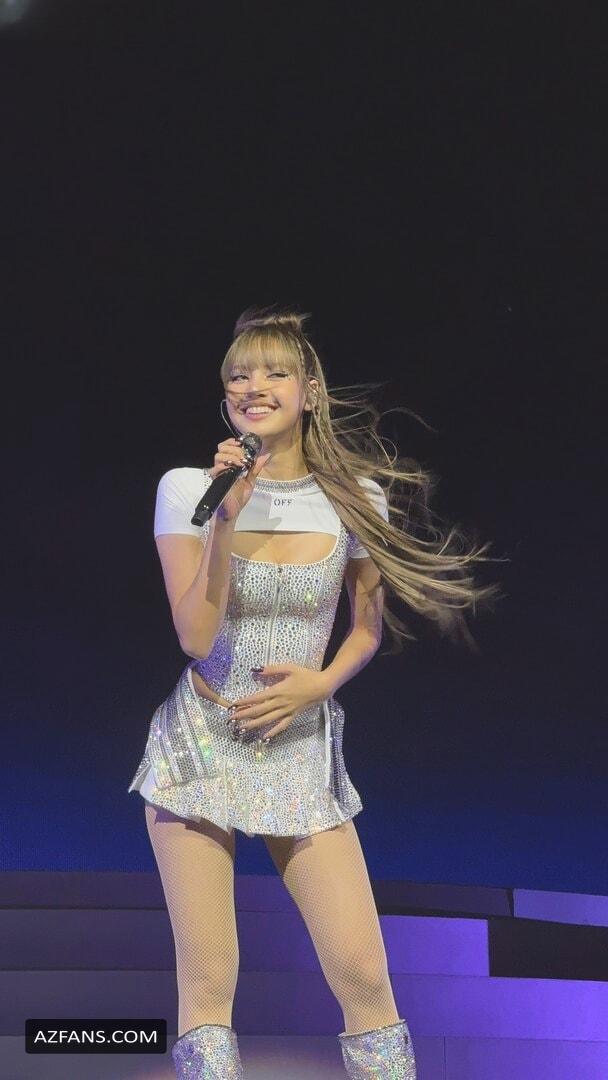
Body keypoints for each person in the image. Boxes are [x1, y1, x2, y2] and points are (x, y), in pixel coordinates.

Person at [128, 306, 502, 1078]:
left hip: (299, 751)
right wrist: (225, 518)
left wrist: (320, 684)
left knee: (363, 973)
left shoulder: (356, 495)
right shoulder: (190, 488)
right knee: (208, 981)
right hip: (200, 746)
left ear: (310, 391)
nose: (253, 386)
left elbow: (365, 629)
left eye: (274, 372)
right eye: (239, 374)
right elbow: (195, 635)